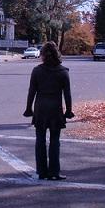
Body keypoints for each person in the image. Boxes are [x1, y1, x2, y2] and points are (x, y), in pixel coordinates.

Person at [23, 41, 74, 181]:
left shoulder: (37, 71)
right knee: (54, 140)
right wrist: (69, 110)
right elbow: (67, 94)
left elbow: (31, 91)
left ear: (43, 54)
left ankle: (42, 171)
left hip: (40, 107)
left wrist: (29, 108)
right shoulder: (63, 72)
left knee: (40, 139)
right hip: (55, 108)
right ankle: (54, 171)